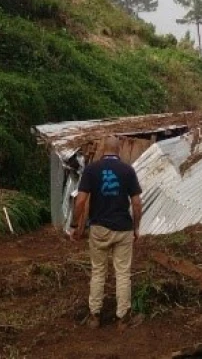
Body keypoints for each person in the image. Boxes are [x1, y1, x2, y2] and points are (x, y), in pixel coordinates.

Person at [71, 135, 144, 330]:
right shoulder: (128, 170)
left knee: (98, 271)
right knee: (122, 273)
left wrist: (75, 226)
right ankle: (123, 319)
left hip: (99, 229)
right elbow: (136, 203)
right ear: (119, 150)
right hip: (123, 229)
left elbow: (80, 201)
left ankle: (94, 316)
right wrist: (136, 228)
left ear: (103, 149)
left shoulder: (91, 170)